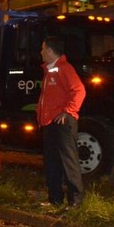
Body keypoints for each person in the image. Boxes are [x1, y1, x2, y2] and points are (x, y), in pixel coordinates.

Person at [37, 35, 86, 208]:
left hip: (62, 123)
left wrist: (68, 111)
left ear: (50, 50)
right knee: (52, 162)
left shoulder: (65, 68)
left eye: (43, 48)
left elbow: (79, 90)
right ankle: (55, 199)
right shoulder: (50, 70)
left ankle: (75, 201)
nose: (41, 52)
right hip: (50, 123)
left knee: (68, 161)